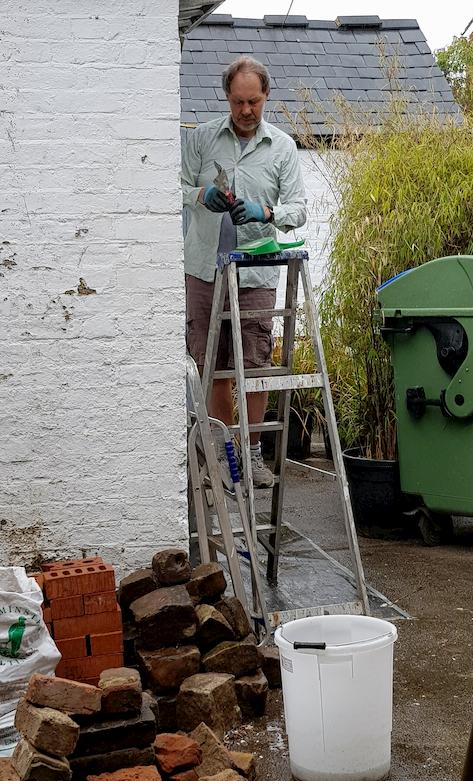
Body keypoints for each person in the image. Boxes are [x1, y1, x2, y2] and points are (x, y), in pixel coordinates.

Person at [182, 56, 307, 488]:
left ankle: (252, 454)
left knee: (253, 362)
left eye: (253, 101)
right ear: (227, 98)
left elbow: (299, 210)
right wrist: (202, 194)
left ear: (266, 96)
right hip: (203, 269)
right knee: (210, 361)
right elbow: (169, 185)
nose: (246, 110)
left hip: (255, 270)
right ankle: (224, 450)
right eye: (238, 102)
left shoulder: (283, 147)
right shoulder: (200, 140)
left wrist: (265, 211)